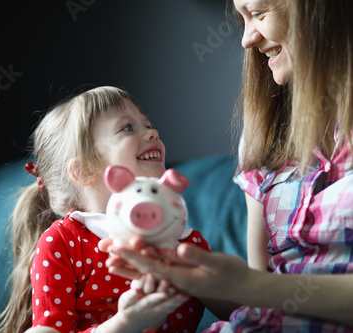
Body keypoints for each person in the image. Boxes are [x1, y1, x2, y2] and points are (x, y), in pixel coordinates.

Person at [99, 0, 353, 331]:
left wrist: (244, 285)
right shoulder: (265, 132)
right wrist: (193, 281)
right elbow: (260, 294)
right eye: (242, 19)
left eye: (260, 14)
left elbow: (256, 286)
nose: (247, 38)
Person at [0, 86, 211, 333]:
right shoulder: (63, 242)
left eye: (147, 124)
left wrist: (203, 279)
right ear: (83, 170)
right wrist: (125, 324)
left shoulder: (186, 243)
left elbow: (243, 313)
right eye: (128, 127)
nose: (153, 133)